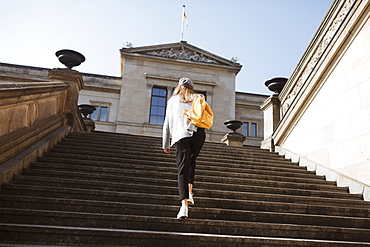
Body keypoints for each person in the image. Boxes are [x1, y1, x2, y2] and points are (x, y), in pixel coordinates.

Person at [162, 77, 206, 219]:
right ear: (191, 88)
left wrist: (166, 143)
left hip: (181, 135)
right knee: (191, 162)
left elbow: (167, 122)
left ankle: (184, 207)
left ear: (178, 87)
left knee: (182, 168)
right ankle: (190, 192)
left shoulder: (172, 101)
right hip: (198, 134)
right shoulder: (198, 97)